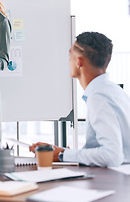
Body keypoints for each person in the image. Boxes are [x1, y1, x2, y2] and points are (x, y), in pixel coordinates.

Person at [29, 32, 130, 167]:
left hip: (117, 180)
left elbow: (112, 155)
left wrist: (62, 155)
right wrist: (65, 153)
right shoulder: (114, 91)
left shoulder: (98, 97)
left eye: (70, 55)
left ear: (78, 61)